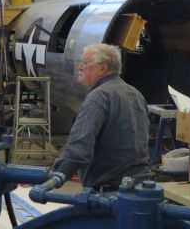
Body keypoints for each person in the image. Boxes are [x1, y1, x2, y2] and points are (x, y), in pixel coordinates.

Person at [50, 43, 151, 191]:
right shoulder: (135, 94)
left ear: (102, 68)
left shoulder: (99, 96)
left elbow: (78, 151)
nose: (80, 67)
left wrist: (56, 175)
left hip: (109, 191)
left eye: (84, 63)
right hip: (140, 186)